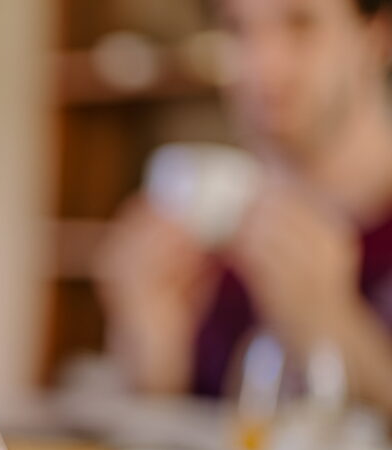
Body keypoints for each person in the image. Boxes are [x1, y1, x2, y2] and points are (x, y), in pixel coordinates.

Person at [97, 0, 392, 414]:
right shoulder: (205, 235)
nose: (262, 66)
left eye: (301, 24)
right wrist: (155, 363)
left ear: (377, 36)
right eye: (237, 29)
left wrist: (331, 327)